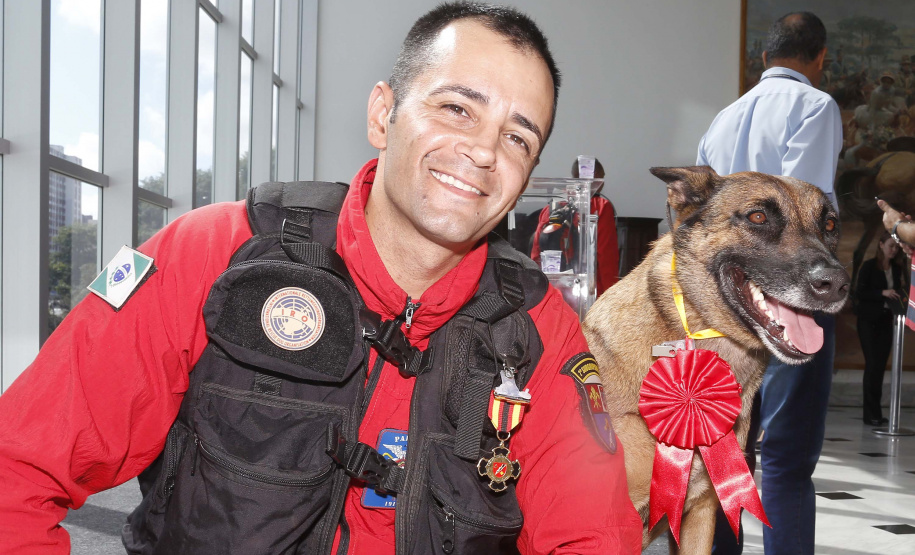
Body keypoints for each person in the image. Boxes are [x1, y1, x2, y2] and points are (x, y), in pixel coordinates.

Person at [0, 3, 642, 554]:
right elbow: (17, 473)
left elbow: (593, 536)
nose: (482, 151)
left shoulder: (539, 331)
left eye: (517, 140)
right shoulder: (214, 253)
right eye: (456, 108)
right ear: (382, 114)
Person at [696, 12, 843, 555]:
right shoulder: (815, 106)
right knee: (785, 454)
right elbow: (804, 202)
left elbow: (703, 218)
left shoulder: (724, 117)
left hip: (729, 299)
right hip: (790, 296)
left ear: (764, 57)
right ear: (820, 57)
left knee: (727, 448)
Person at [530, 158, 620, 295]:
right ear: (594, 176)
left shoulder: (551, 207)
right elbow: (606, 257)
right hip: (588, 291)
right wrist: (612, 295)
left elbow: (537, 252)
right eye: (602, 176)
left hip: (553, 289)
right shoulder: (601, 207)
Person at [855, 232, 907, 426]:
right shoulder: (869, 266)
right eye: (891, 246)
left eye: (896, 247)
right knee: (872, 365)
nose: (893, 250)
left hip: (887, 320)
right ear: (881, 245)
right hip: (868, 321)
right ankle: (870, 414)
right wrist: (882, 293)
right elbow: (860, 292)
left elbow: (902, 292)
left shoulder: (896, 268)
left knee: (880, 367)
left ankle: (876, 412)